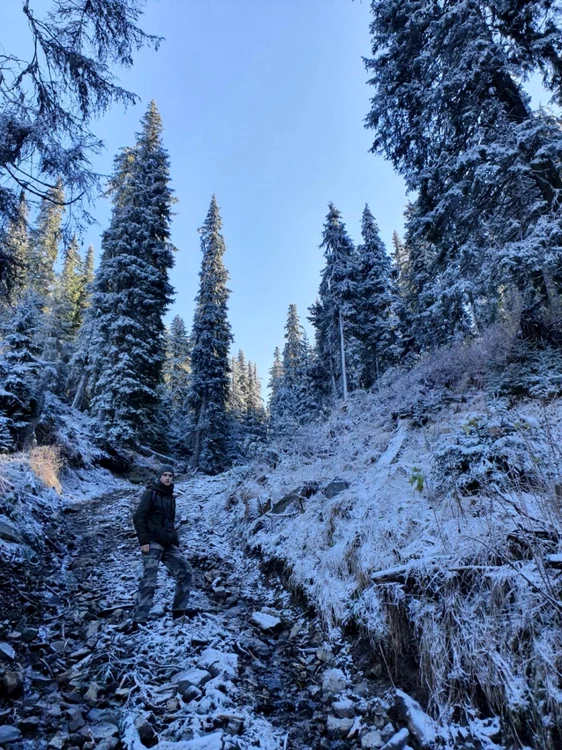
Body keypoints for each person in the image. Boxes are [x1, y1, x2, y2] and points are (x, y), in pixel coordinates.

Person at [130, 465, 194, 626]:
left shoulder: (170, 497)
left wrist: (175, 542)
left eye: (170, 476)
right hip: (151, 542)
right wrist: (143, 541)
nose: (167, 478)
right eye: (164, 475)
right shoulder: (150, 493)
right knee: (149, 579)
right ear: (159, 476)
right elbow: (139, 517)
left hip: (167, 543)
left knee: (186, 571)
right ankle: (139, 619)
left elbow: (170, 523)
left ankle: (179, 612)